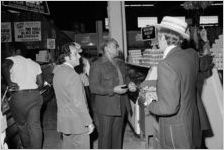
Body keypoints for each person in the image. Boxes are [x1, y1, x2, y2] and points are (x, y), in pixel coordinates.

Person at [145, 16, 201, 148]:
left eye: (158, 37)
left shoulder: (166, 64)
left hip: (176, 129)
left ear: (163, 38)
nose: (157, 40)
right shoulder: (192, 55)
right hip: (191, 121)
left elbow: (168, 107)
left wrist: (150, 103)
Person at [89, 38, 137, 149]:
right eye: (115, 46)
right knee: (105, 137)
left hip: (121, 105)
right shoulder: (97, 65)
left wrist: (130, 85)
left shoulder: (120, 63)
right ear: (106, 48)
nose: (117, 48)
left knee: (117, 136)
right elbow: (93, 87)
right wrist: (113, 90)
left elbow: (126, 78)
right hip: (106, 107)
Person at [52, 42, 94, 149]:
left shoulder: (57, 72)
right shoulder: (73, 75)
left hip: (65, 123)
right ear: (67, 57)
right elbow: (79, 102)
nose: (79, 56)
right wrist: (88, 122)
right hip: (78, 123)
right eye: (75, 54)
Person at [2, 43, 44, 148]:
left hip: (19, 97)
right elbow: (40, 83)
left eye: (10, 50)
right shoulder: (34, 63)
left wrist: (9, 81)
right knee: (35, 126)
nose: (8, 52)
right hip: (35, 96)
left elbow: (4, 66)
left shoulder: (11, 59)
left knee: (22, 126)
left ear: (16, 51)